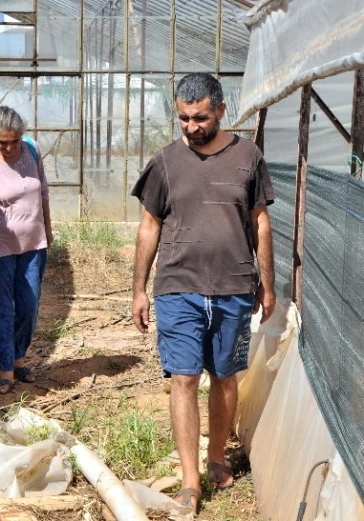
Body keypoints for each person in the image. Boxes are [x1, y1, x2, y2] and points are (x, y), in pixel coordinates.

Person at [131, 73, 276, 513]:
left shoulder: (248, 157)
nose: (191, 127)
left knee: (225, 378)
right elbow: (149, 226)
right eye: (183, 119)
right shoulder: (165, 162)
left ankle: (216, 458)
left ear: (220, 111)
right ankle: (191, 481)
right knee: (183, 379)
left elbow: (259, 223)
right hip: (178, 287)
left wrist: (267, 285)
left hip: (233, 286)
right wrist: (138, 289)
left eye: (200, 118)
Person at [0, 106, 53, 395]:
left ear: (22, 136)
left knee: (28, 307)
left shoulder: (32, 150)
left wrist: (48, 230)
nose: (8, 147)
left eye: (13, 141)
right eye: (1, 142)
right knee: (1, 307)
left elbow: (42, 193)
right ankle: (5, 369)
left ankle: (19, 358)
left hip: (33, 244)